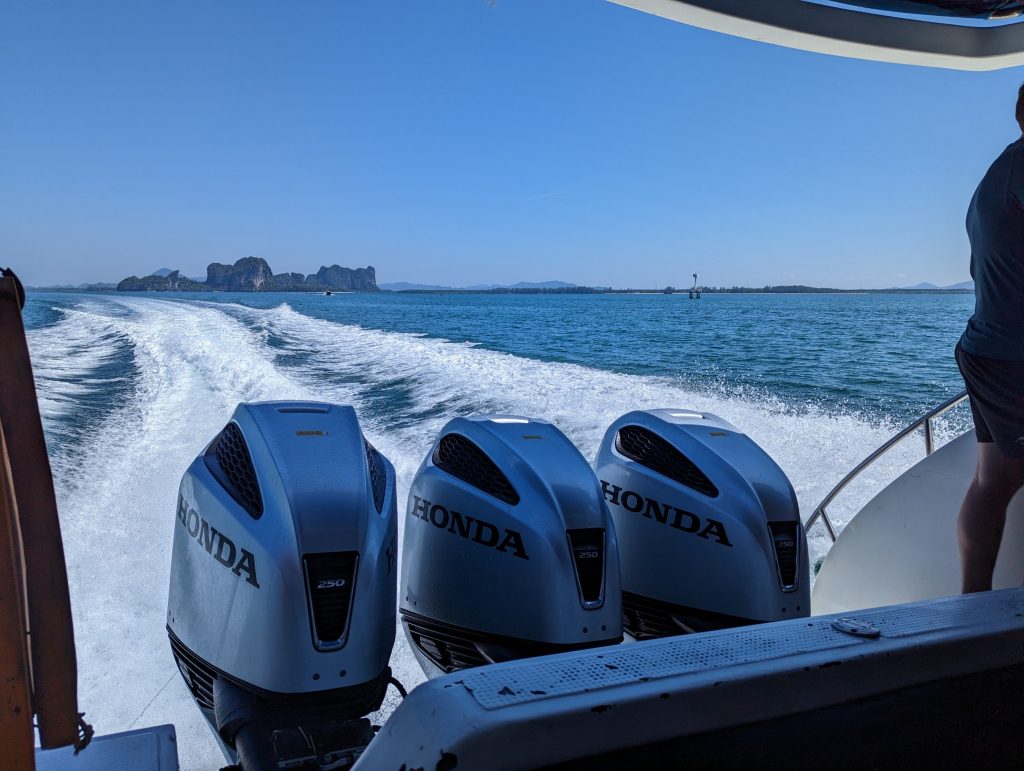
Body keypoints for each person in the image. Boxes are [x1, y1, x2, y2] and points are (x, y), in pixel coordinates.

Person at [955, 84, 1024, 594]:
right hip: (1012, 354)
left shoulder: (1000, 170)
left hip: (990, 348)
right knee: (995, 482)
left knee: (994, 481)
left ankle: (973, 605)